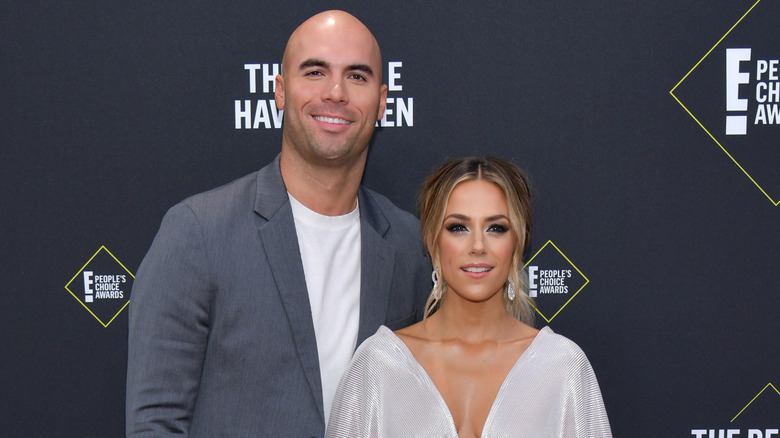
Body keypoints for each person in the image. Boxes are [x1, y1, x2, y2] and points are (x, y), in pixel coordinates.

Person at [125, 10, 430, 437]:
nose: (336, 92)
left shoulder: (408, 243)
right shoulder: (197, 232)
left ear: (381, 102)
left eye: (357, 76)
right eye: (316, 71)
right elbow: (154, 423)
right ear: (281, 91)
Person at [326, 156, 612, 437]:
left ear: (517, 242)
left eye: (496, 228)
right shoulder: (378, 366)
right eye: (458, 227)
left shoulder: (561, 367)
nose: (477, 246)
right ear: (432, 240)